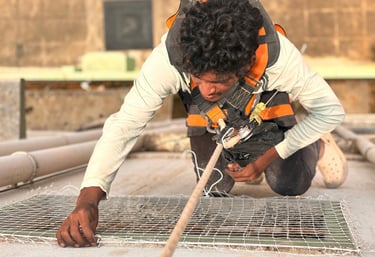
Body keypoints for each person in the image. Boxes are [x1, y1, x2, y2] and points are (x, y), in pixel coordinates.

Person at [56, 0, 347, 248]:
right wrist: (88, 200)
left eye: (219, 82)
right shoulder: (168, 60)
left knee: (288, 183)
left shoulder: (279, 58)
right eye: (199, 78)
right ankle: (244, 149)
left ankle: (317, 146)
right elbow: (125, 125)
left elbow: (330, 111)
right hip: (212, 120)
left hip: (263, 108)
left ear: (246, 65)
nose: (207, 90)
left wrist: (267, 159)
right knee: (214, 189)